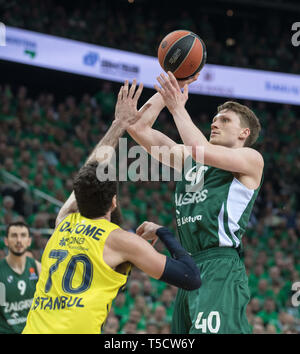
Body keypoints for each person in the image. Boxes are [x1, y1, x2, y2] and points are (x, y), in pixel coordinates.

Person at [22, 80, 201, 334]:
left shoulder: (63, 221)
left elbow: (89, 171)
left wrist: (118, 124)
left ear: (77, 198)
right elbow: (191, 278)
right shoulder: (121, 241)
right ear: (114, 200)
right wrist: (163, 232)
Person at [126, 72, 264, 334]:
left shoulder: (251, 159)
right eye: (213, 119)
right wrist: (171, 90)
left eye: (224, 120)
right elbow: (138, 129)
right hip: (189, 266)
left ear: (244, 133)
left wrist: (178, 107)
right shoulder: (191, 160)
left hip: (220, 265)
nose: (215, 124)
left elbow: (200, 148)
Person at [0, 221, 41, 334]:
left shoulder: (37, 267)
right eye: (14, 235)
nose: (19, 240)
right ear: (6, 241)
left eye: (23, 235)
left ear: (29, 241)